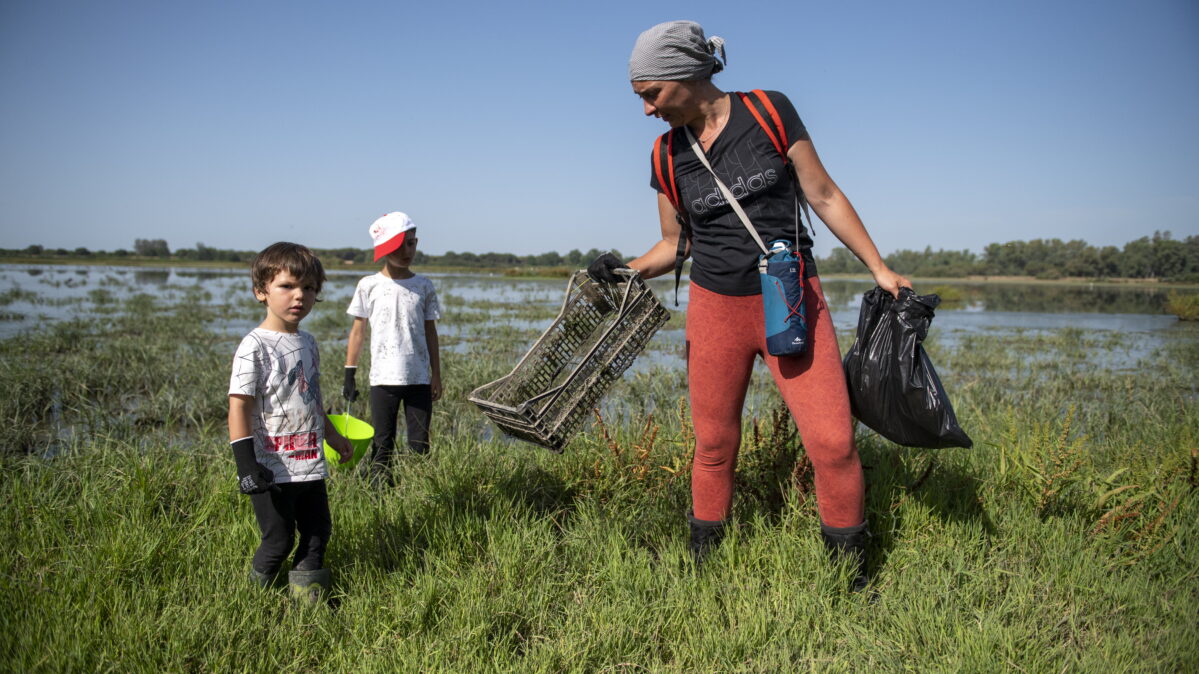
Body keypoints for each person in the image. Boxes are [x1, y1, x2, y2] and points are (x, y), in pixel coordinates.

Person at [590, 20, 911, 590]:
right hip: (715, 309)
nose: (646, 110)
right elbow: (675, 243)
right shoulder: (666, 154)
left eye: (651, 94)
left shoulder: (769, 110)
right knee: (714, 444)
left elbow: (825, 194)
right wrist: (625, 268)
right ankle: (703, 571)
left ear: (684, 74)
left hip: (790, 300)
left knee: (833, 443)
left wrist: (880, 269)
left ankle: (851, 581)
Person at [228, 242, 353, 602]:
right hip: (272, 467)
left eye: (309, 288)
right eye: (287, 286)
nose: (300, 296)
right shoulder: (255, 345)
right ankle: (255, 600)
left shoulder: (308, 343)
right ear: (261, 291)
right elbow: (238, 407)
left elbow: (311, 400)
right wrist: (245, 465)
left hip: (310, 464)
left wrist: (333, 437)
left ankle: (307, 603)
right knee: (278, 538)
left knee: (317, 532)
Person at [342, 212, 442, 486]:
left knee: (420, 444)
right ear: (385, 250)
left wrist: (436, 375)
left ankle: (420, 492)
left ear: (416, 241)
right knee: (382, 442)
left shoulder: (424, 286)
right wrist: (349, 374)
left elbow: (430, 332)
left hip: (419, 379)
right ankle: (379, 493)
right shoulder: (368, 285)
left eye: (410, 244)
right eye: (397, 246)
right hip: (383, 380)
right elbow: (358, 331)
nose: (405, 251)